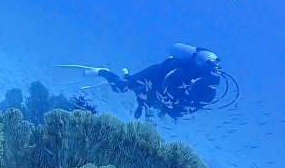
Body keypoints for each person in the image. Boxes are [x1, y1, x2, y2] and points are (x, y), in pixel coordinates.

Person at [89, 44, 235, 119]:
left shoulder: (206, 96)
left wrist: (169, 110)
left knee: (147, 102)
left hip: (161, 91)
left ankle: (139, 98)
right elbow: (167, 86)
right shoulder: (182, 78)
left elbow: (180, 109)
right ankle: (104, 72)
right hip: (157, 74)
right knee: (121, 87)